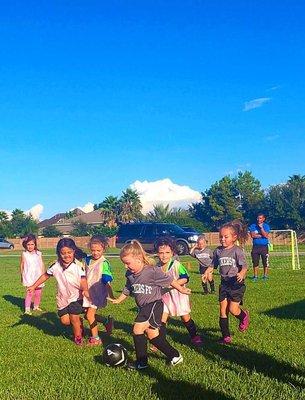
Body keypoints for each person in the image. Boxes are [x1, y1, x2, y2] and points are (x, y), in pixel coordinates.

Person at [108, 240, 191, 370]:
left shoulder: (152, 271)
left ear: (139, 258)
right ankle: (175, 355)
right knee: (153, 336)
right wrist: (119, 299)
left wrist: (181, 289)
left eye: (128, 263)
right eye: (124, 263)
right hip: (144, 307)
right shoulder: (130, 274)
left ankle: (142, 362)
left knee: (137, 329)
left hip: (154, 305)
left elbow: (170, 280)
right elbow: (128, 288)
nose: (125, 266)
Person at [27, 238, 90, 346]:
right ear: (59, 253)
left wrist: (85, 290)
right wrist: (33, 286)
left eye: (69, 252)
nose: (67, 255)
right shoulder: (55, 266)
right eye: (63, 253)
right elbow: (45, 275)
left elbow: (83, 279)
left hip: (76, 297)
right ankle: (79, 324)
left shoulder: (78, 265)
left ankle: (78, 338)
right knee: (65, 321)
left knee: (74, 318)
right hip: (62, 298)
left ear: (74, 251)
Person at [203, 220, 250, 344]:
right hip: (224, 284)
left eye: (226, 237)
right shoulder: (218, 251)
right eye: (221, 237)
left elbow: (245, 266)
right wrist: (207, 272)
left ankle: (244, 316)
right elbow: (213, 265)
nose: (222, 239)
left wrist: (242, 273)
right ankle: (226, 336)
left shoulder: (237, 251)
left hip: (236, 284)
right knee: (223, 310)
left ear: (234, 237)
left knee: (233, 310)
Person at [155, 237, 202, 346]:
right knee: (162, 318)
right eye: (161, 253)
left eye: (167, 252)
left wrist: (173, 284)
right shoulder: (156, 267)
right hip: (164, 296)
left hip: (178, 295)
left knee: (185, 317)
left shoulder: (176, 265)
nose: (164, 255)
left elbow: (185, 278)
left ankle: (194, 336)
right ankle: (160, 341)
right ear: (157, 253)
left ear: (172, 253)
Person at [83, 235, 114, 346]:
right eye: (93, 250)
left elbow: (107, 280)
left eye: (98, 250)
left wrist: (111, 295)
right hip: (88, 292)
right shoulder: (87, 259)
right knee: (87, 315)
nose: (95, 253)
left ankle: (96, 338)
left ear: (103, 249)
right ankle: (107, 321)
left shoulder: (104, 263)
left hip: (98, 293)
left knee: (90, 315)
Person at [20, 234, 45, 315]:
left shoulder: (39, 253)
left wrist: (43, 274)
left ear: (35, 244)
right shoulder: (24, 254)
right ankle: (27, 309)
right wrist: (22, 276)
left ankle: (36, 306)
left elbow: (42, 264)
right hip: (29, 276)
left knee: (38, 292)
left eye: (32, 244)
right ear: (25, 245)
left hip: (38, 276)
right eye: (28, 244)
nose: (30, 246)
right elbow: (22, 265)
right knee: (30, 292)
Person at [249, 213, 271, 281]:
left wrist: (261, 228)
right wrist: (262, 235)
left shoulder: (266, 226)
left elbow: (266, 235)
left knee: (265, 262)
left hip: (264, 247)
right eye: (258, 218)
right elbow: (252, 236)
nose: (259, 219)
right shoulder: (253, 226)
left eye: (260, 218)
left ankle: (265, 276)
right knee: (255, 262)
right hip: (255, 247)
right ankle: (255, 276)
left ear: (263, 219)